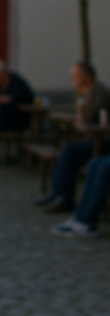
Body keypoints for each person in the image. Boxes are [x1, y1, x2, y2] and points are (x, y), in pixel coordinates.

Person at [36, 61, 110, 213]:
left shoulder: (97, 93)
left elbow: (88, 120)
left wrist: (81, 112)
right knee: (69, 150)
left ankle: (64, 198)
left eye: (74, 76)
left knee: (72, 153)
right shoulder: (88, 92)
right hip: (97, 139)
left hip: (102, 141)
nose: (72, 80)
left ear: (85, 77)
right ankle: (59, 193)